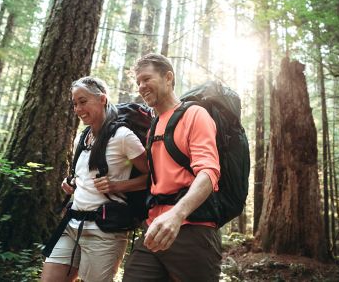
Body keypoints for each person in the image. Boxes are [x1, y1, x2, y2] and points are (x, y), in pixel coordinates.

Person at [123, 54, 222, 281]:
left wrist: (177, 215)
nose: (141, 86)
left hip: (193, 229)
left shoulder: (195, 114)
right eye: (138, 82)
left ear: (168, 78)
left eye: (147, 79)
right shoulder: (153, 126)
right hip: (154, 228)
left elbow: (209, 172)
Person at [41, 76, 148, 282]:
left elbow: (152, 177)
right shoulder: (84, 137)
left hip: (105, 231)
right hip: (71, 224)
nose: (78, 109)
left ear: (102, 99)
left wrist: (119, 185)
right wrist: (71, 182)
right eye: (74, 104)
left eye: (83, 101)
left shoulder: (123, 136)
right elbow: (85, 175)